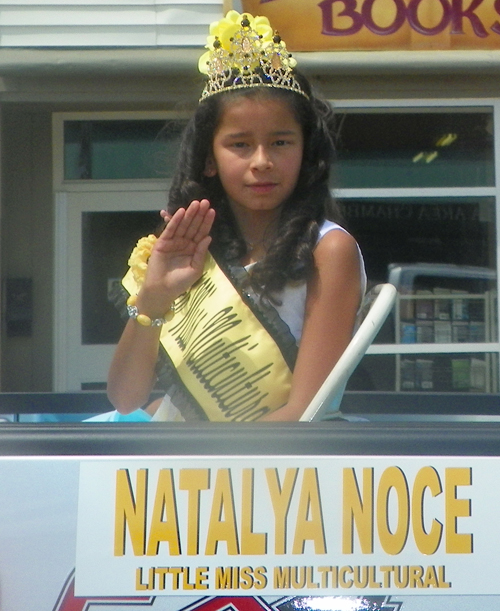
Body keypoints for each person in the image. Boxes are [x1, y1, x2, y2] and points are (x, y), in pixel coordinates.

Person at [106, 10, 366, 422]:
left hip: (258, 475)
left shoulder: (328, 250)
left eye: (280, 142)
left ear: (305, 152)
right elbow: (124, 399)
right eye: (240, 145)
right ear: (210, 159)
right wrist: (154, 297)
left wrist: (204, 459)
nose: (262, 161)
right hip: (175, 474)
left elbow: (303, 414)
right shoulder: (187, 249)